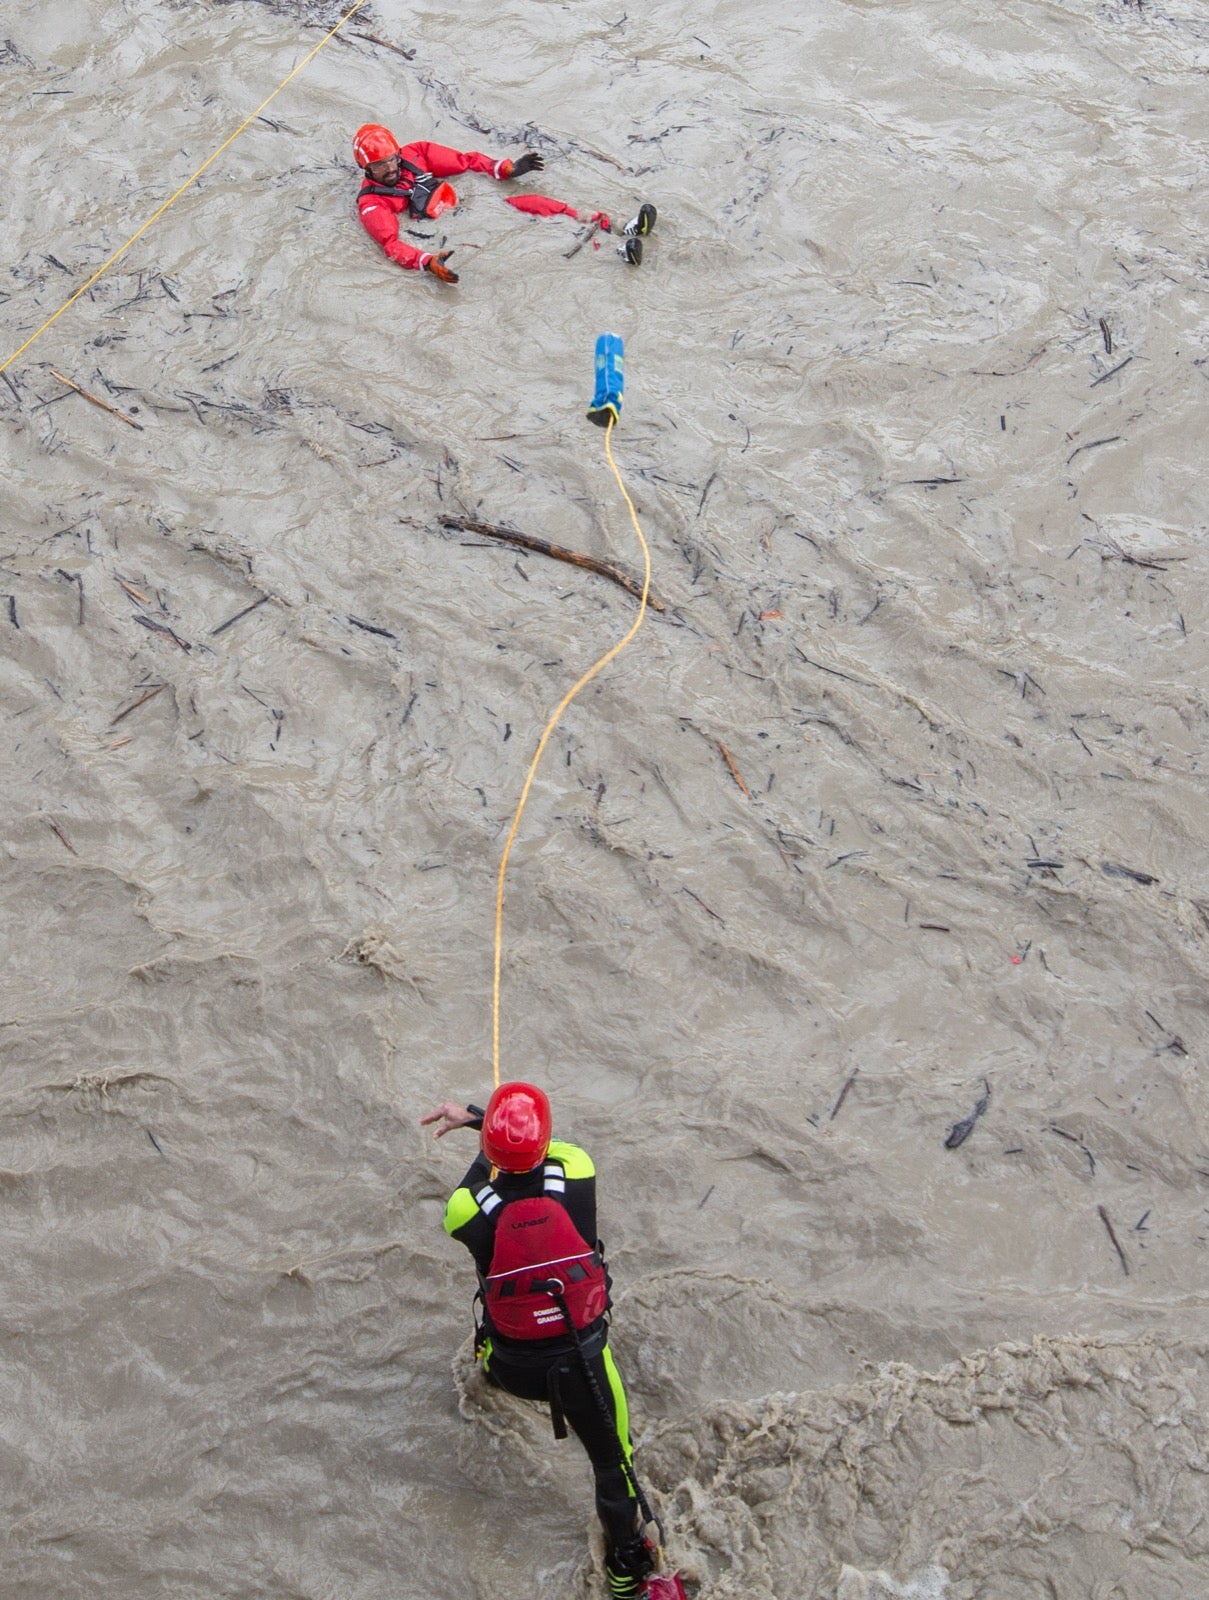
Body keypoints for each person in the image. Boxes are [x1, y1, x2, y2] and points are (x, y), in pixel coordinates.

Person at [421, 1082, 658, 1598]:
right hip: (583, 1360)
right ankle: (623, 1577)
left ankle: (484, 1385)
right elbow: (545, 1148)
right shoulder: (578, 1167)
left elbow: (479, 1180)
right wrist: (485, 1118)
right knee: (613, 1462)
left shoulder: (464, 1209)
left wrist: (480, 1131)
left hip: (513, 1364)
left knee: (490, 1347)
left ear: (488, 1148)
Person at [353, 123, 657, 283]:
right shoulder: (372, 204)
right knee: (531, 250)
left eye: (392, 160)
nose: (391, 168)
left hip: (468, 208)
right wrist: (427, 262)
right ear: (367, 170)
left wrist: (505, 169)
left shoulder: (416, 153)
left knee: (536, 203)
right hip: (445, 233)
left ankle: (618, 227)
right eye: (381, 166)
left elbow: (467, 161)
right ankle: (613, 255)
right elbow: (391, 245)